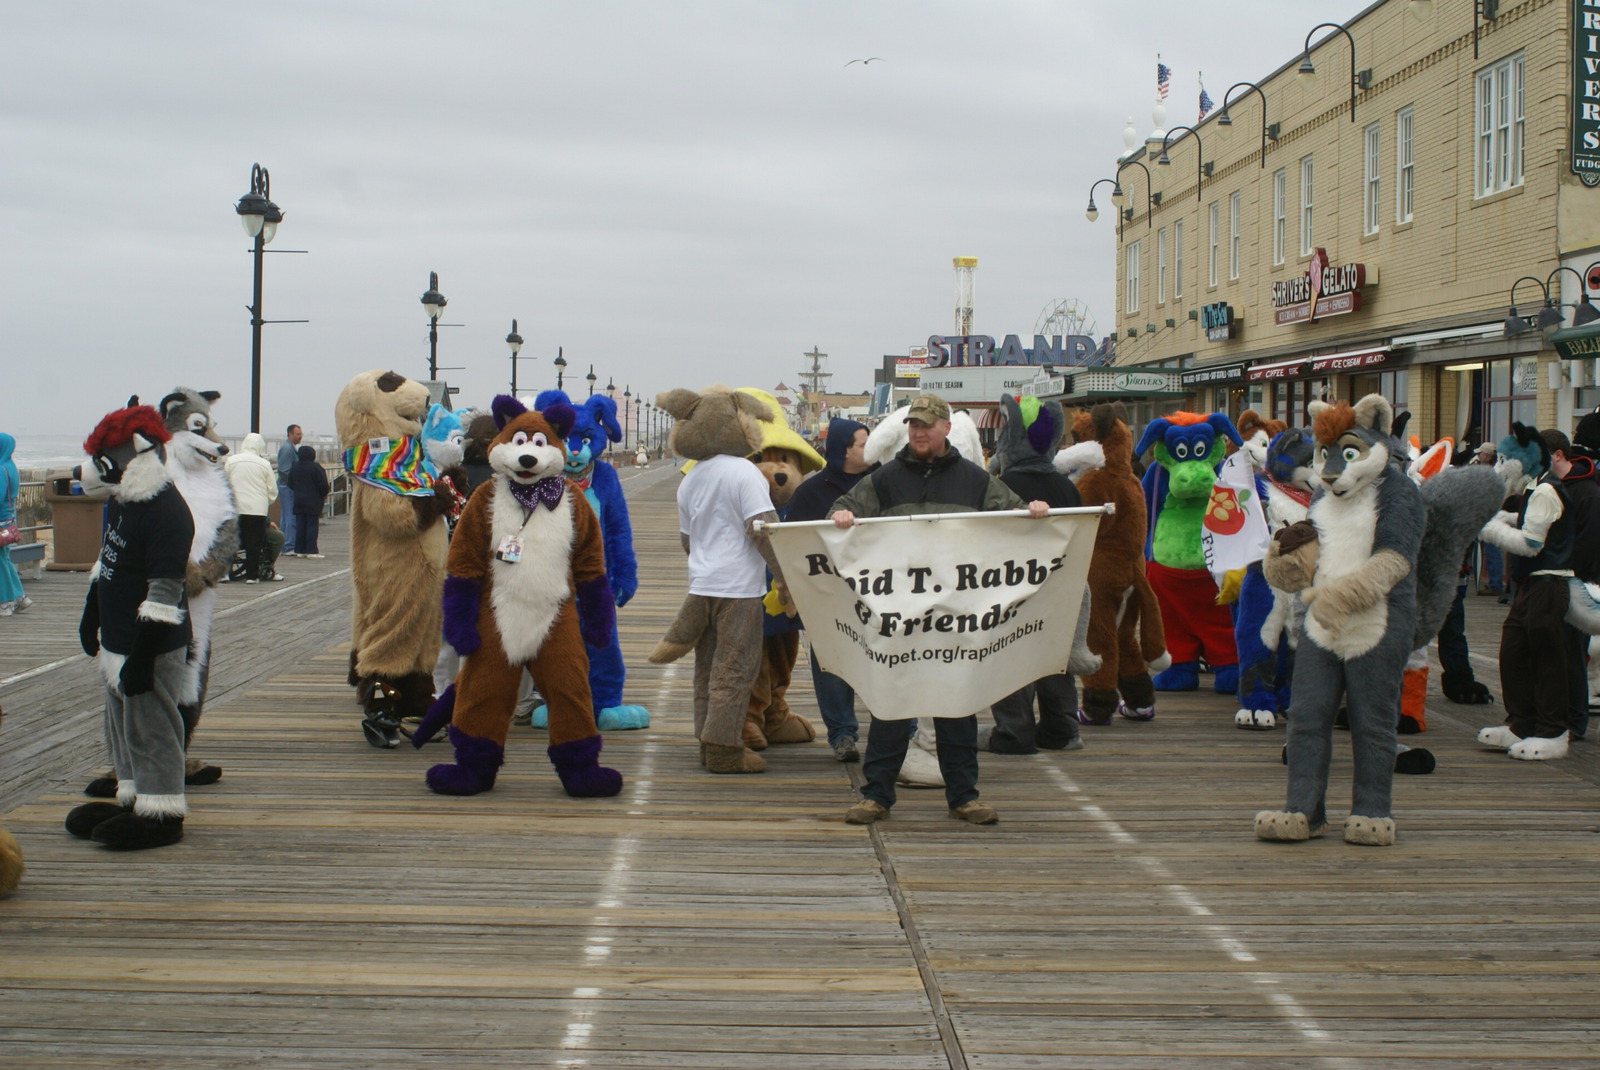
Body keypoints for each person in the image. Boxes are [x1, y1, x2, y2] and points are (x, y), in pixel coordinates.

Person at [830, 394, 1050, 825]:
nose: (918, 432)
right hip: (898, 615)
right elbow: (841, 508)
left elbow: (1014, 514)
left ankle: (964, 797)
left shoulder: (974, 479)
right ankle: (876, 796)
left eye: (927, 425)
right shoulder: (886, 478)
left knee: (956, 706)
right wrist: (842, 517)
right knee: (891, 705)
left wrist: (1033, 512)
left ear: (946, 428)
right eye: (913, 425)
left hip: (956, 615)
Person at [1480, 430, 1600, 758]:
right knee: (1515, 653)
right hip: (1531, 584)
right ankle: (1521, 722)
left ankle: (1554, 729)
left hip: (1554, 584)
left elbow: (1532, 543)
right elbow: (1533, 522)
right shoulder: (1538, 486)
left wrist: (1490, 528)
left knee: (1552, 658)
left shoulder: (1553, 489)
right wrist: (1505, 518)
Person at [784, 417, 874, 761]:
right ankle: (842, 734)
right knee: (831, 663)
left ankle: (902, 731)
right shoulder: (812, 492)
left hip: (879, 592)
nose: (871, 449)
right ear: (844, 450)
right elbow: (793, 541)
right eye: (863, 444)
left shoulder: (883, 480)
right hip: (829, 594)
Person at [224, 432, 279, 583]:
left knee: (231, 539)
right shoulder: (264, 464)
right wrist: (265, 502)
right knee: (254, 543)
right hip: (257, 510)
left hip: (235, 508)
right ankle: (252, 576)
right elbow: (272, 490)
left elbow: (224, 484)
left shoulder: (231, 461)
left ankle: (225, 573)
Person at [0, 433, 30, 615]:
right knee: (4, 559)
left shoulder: (0, 469)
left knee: (1, 562)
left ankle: (4, 603)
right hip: (8, 520)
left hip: (0, 521)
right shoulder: (10, 466)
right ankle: (20, 597)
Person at [1471, 441, 1504, 595]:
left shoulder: (1493, 473)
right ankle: (1494, 583)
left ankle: (1495, 584)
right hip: (1489, 512)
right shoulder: (1493, 470)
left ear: (1487, 456)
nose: (1478, 456)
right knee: (1490, 549)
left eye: (1481, 454)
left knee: (1492, 550)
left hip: (1490, 514)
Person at [288, 445, 329, 558]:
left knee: (300, 525)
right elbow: (323, 484)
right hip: (313, 500)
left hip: (298, 500)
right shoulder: (316, 467)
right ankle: (312, 550)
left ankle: (300, 550)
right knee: (312, 525)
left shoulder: (295, 466)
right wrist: (323, 494)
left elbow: (290, 483)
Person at [276, 423, 303, 554]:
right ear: (290, 434)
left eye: (301, 434)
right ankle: (289, 546)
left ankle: (283, 545)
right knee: (290, 517)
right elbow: (283, 470)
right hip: (287, 487)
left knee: (285, 516)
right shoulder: (287, 449)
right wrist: (295, 482)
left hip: (285, 486)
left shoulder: (289, 448)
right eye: (297, 434)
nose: (300, 436)